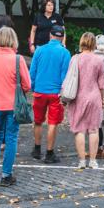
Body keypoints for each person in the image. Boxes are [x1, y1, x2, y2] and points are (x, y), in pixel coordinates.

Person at [0, 26, 30, 186]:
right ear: (13, 40)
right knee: (11, 138)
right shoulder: (18, 59)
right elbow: (27, 84)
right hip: (13, 104)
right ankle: (6, 175)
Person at [29, 23, 71, 163]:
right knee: (52, 122)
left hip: (40, 91)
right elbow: (65, 75)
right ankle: (49, 153)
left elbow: (33, 71)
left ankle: (36, 149)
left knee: (38, 121)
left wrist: (33, 87)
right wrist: (62, 92)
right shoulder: (65, 53)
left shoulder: (39, 50)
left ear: (50, 35)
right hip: (55, 93)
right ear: (62, 37)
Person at [66, 32, 104, 169]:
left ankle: (82, 161)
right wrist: (103, 99)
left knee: (79, 130)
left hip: (78, 97)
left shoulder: (75, 59)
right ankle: (93, 161)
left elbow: (70, 79)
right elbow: (102, 84)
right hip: (94, 96)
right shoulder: (98, 60)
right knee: (94, 130)